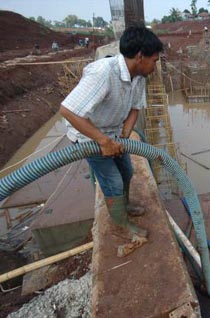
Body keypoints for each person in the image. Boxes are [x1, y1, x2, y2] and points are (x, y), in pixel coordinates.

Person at [59, 25, 163, 238]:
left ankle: (122, 205)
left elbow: (135, 108)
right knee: (113, 181)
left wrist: (125, 134)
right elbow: (68, 110)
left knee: (127, 172)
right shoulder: (103, 72)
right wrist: (103, 141)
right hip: (89, 135)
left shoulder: (139, 77)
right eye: (155, 60)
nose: (156, 65)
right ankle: (121, 226)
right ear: (140, 56)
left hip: (114, 133)